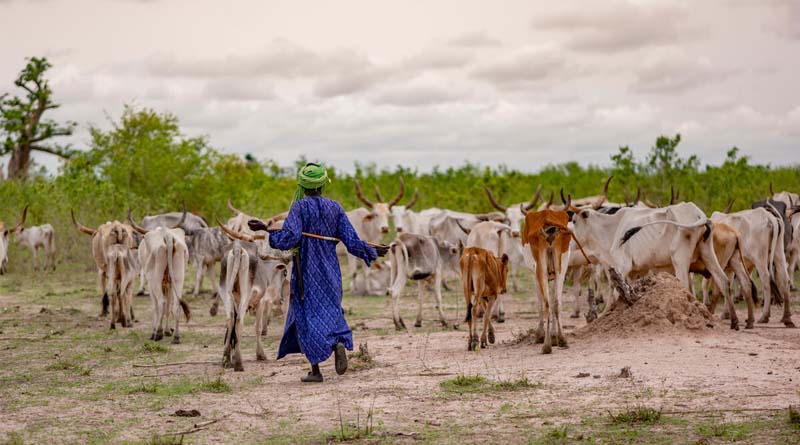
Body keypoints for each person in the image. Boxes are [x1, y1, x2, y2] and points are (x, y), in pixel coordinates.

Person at [248, 163, 389, 382]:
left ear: (302, 186)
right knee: (332, 310)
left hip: (306, 271)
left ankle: (315, 371)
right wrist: (371, 250)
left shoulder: (300, 207)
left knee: (306, 316)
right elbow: (351, 242)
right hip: (331, 271)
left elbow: (290, 239)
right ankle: (339, 342)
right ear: (323, 184)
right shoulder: (335, 207)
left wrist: (266, 232)